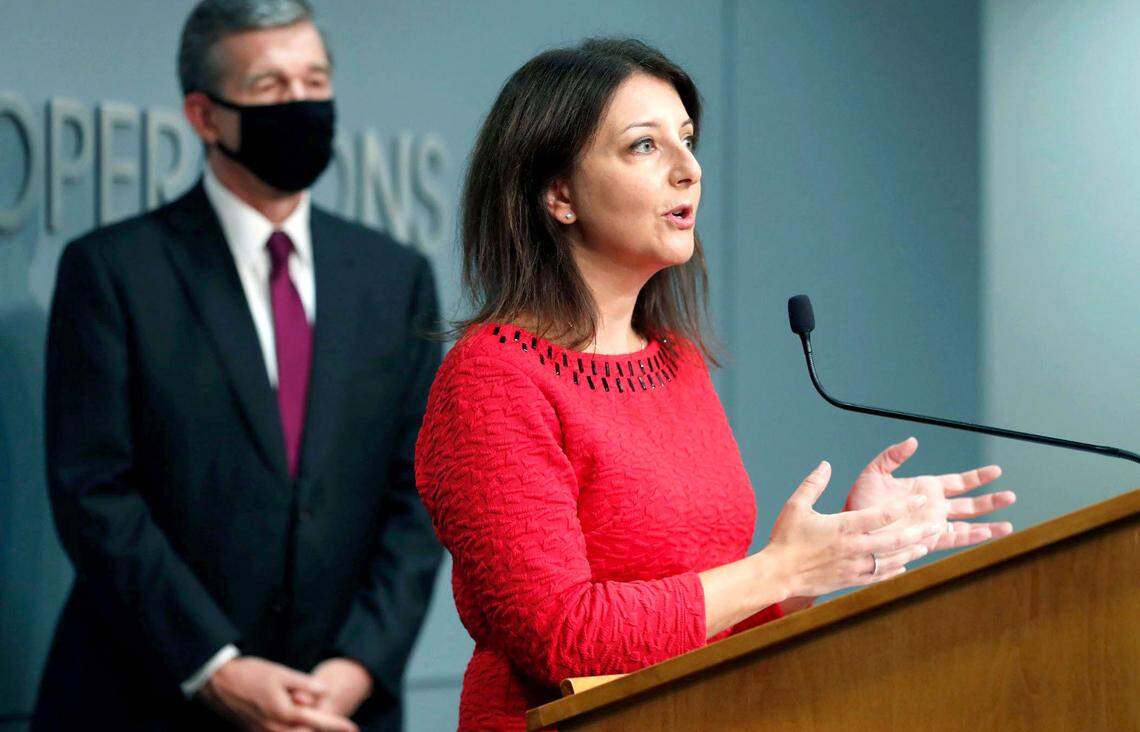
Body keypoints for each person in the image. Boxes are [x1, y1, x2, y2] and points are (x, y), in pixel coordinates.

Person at [414, 38, 1016, 730]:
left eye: (689, 140)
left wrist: (840, 548)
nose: (690, 170)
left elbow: (712, 625)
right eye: (645, 146)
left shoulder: (676, 358)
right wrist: (782, 570)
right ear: (559, 194)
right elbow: (559, 635)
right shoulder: (493, 378)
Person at [34, 1, 441, 730]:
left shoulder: (394, 276)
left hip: (341, 709)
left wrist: (355, 669)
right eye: (269, 86)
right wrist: (216, 666)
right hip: (148, 699)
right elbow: (95, 495)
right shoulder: (114, 272)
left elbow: (418, 494)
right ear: (204, 115)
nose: (302, 104)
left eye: (314, 80)